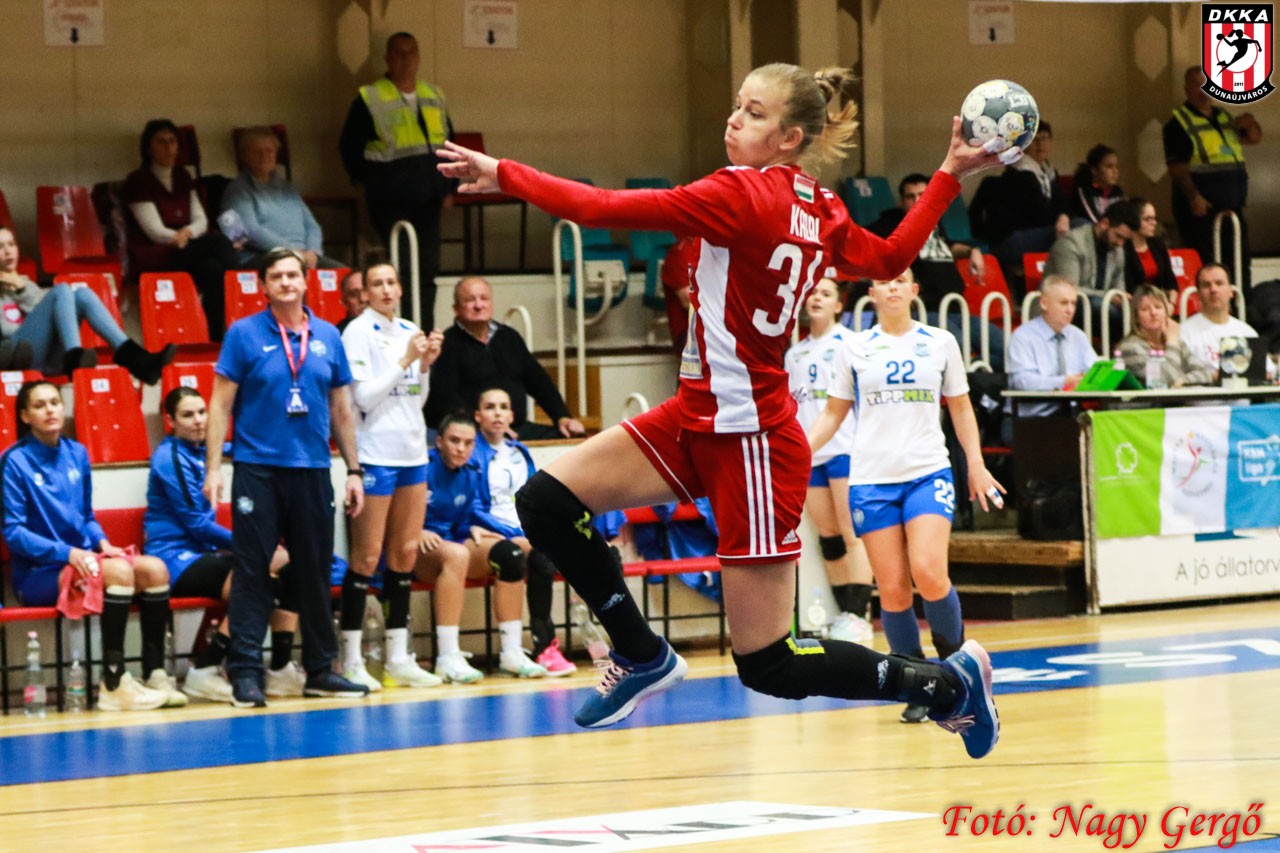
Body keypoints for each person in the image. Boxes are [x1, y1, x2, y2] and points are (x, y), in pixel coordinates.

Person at [438, 61, 1006, 759]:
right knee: (546, 500)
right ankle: (641, 652)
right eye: (739, 104)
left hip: (753, 439)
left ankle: (947, 686)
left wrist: (505, 173)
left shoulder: (741, 193)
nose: (735, 119)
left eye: (755, 112)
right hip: (696, 415)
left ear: (790, 137)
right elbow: (888, 255)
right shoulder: (819, 204)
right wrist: (947, 173)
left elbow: (599, 207)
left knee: (769, 663)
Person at [808, 271, 1004, 724]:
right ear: (872, 294)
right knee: (894, 589)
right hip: (872, 479)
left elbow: (961, 407)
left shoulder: (940, 342)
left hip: (926, 472)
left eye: (901, 280)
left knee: (929, 572)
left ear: (915, 291)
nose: (893, 287)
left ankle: (958, 671)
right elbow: (832, 414)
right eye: (884, 281)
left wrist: (975, 463)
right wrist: (798, 452)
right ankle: (919, 684)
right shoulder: (854, 347)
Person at [204, 247, 370, 708]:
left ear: (305, 281)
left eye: (293, 274)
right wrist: (214, 468)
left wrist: (354, 470)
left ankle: (320, 669)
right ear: (264, 285)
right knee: (252, 570)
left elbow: (341, 409)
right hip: (258, 468)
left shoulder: (328, 335)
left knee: (314, 570)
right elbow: (219, 404)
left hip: (313, 468)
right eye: (276, 276)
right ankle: (245, 672)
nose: (286, 282)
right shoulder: (243, 334)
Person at [0, 380, 183, 711]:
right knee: (118, 572)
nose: (50, 410)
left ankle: (156, 674)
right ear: (25, 416)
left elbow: (85, 515)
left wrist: (102, 542)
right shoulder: (14, 461)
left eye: (55, 402)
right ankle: (113, 684)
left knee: (155, 570)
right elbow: (13, 532)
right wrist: (68, 553)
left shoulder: (77, 453)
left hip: (85, 559)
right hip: (40, 572)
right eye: (39, 405)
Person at [144, 386, 304, 703]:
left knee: (290, 565)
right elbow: (197, 524)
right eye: (187, 415)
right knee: (257, 578)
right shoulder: (169, 457)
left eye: (202, 412)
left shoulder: (205, 450)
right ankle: (204, 668)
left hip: (207, 555)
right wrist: (253, 545)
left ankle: (280, 668)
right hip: (173, 558)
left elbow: (244, 446)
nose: (198, 420)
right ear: (170, 421)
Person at [336, 259, 445, 691]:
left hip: (413, 453)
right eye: (376, 284)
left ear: (400, 289)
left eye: (390, 282)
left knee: (404, 554)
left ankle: (399, 657)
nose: (384, 290)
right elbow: (363, 397)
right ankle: (351, 658)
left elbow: (417, 399)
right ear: (365, 293)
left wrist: (426, 365)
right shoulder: (356, 332)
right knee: (366, 557)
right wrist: (406, 360)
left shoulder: (409, 329)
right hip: (375, 454)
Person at [418, 410, 561, 682]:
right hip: (418, 546)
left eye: (468, 443)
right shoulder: (422, 469)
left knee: (511, 553)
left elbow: (469, 514)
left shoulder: (471, 472)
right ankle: (447, 656)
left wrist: (472, 526)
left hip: (453, 542)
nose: (461, 448)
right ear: (439, 441)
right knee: (457, 554)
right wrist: (416, 530)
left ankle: (511, 651)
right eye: (454, 441)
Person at [339, 32, 455, 326]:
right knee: (398, 271)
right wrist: (364, 182)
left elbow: (449, 143)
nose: (406, 59)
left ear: (419, 57)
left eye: (411, 52)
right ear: (388, 58)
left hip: (429, 197)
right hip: (390, 200)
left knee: (428, 269)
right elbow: (349, 146)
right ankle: (398, 329)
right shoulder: (370, 97)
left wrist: (448, 188)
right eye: (399, 53)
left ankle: (423, 331)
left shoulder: (433, 95)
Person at [783, 278, 874, 644]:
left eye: (826, 294)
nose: (817, 298)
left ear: (839, 305)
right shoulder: (795, 354)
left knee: (853, 533)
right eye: (813, 293)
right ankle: (843, 614)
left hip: (845, 449)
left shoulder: (850, 344)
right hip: (811, 454)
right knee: (829, 536)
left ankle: (860, 615)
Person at [469, 386, 573, 676]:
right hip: (490, 532)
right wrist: (509, 530)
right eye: (490, 407)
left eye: (503, 407)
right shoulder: (471, 452)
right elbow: (473, 505)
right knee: (524, 554)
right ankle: (523, 649)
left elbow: (531, 497)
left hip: (521, 530)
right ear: (478, 416)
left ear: (512, 416)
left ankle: (545, 647)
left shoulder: (519, 451)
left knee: (545, 556)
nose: (497, 413)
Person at [0, 226, 176, 381]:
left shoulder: (25, 283)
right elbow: (8, 333)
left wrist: (21, 288)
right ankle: (74, 357)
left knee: (83, 295)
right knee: (61, 290)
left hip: (50, 358)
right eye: (1, 247)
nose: (8, 251)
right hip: (17, 358)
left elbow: (47, 314)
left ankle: (139, 361)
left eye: (11, 244)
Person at [869, 173, 1004, 369]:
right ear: (901, 202)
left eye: (922, 196)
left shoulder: (934, 224)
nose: (917, 201)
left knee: (1004, 348)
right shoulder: (892, 225)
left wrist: (971, 251)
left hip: (955, 308)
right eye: (911, 197)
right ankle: (966, 379)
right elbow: (865, 238)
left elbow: (948, 246)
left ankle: (976, 380)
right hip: (926, 310)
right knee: (958, 347)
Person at [425, 276, 587, 441]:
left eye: (484, 298)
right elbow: (445, 400)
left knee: (570, 437)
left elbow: (539, 381)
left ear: (491, 303)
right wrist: (489, 428)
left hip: (516, 427)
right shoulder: (446, 344)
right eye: (470, 300)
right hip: (471, 432)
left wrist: (562, 417)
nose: (479, 305)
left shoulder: (509, 337)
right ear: (456, 309)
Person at [124, 119, 239, 340]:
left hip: (187, 248)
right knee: (217, 242)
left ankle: (215, 339)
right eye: (161, 142)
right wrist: (182, 237)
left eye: (172, 141)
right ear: (148, 147)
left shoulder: (182, 176)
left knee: (213, 268)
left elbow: (200, 219)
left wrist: (187, 234)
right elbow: (154, 231)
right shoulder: (138, 180)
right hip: (156, 253)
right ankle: (240, 291)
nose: (168, 147)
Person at [1164, 66, 1261, 288]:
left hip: (1232, 208)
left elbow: (1253, 138)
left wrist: (1251, 124)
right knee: (1208, 268)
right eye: (1197, 85)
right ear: (1187, 89)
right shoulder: (1178, 123)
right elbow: (1177, 168)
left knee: (1239, 265)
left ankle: (1240, 305)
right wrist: (1194, 197)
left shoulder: (1224, 117)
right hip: (1202, 211)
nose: (1204, 91)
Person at [221, 126, 341, 270]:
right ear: (244, 156)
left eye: (269, 151)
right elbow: (250, 232)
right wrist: (292, 252)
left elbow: (312, 226)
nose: (264, 156)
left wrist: (313, 251)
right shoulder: (237, 190)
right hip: (264, 257)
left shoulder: (287, 188)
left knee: (347, 276)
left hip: (304, 256)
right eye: (257, 152)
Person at [1003, 275, 1100, 438]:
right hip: (1028, 420)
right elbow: (1022, 382)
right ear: (1044, 303)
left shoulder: (1078, 336)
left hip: (1070, 418)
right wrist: (1064, 382)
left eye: (1073, 303)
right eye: (1064, 303)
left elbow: (1094, 370)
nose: (1070, 310)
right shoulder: (1023, 337)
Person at [990, 122, 1070, 298]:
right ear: (1025, 145)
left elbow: (1062, 204)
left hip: (1036, 233)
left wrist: (1063, 216)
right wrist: (1060, 218)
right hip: (1011, 240)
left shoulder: (1048, 172)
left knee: (1074, 226)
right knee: (1077, 228)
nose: (1040, 144)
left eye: (1045, 138)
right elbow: (1039, 216)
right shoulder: (1018, 172)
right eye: (1035, 140)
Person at [1044, 199, 1139, 335]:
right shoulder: (1071, 243)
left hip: (1097, 313)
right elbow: (1069, 290)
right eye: (1118, 236)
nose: (1120, 243)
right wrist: (1108, 296)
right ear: (1105, 223)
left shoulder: (1117, 250)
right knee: (1098, 305)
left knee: (1138, 313)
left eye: (1125, 240)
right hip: (1062, 309)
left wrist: (1120, 297)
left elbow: (1118, 287)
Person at [1114, 285, 1215, 388]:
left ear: (1166, 313)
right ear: (1136, 317)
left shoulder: (1177, 342)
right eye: (1145, 309)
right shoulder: (1129, 348)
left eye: (1158, 307)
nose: (1153, 313)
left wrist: (1183, 381)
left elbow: (1205, 374)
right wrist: (1172, 342)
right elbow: (1163, 380)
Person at [1178, 263, 1256, 374]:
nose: (1213, 289)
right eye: (1206, 285)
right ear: (1198, 293)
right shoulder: (1183, 333)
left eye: (1219, 283)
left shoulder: (1247, 333)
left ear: (1231, 291)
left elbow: (1267, 372)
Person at [1122, 198, 1177, 301]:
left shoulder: (1158, 245)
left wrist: (1171, 304)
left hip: (1159, 302)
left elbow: (1170, 281)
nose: (1154, 223)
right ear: (1134, 220)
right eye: (1148, 219)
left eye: (1154, 219)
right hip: (1134, 303)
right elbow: (1127, 287)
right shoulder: (1123, 248)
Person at [1069, 144, 1124, 224]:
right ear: (1094, 170)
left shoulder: (1117, 191)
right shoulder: (1084, 189)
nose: (1115, 171)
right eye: (1109, 166)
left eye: (1116, 167)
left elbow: (1124, 215)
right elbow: (1092, 217)